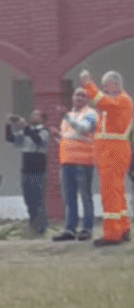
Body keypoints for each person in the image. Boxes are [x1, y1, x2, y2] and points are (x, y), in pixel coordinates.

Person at [83, 69, 133, 245]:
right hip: (112, 150)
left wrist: (88, 83)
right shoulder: (119, 102)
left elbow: (100, 101)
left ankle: (112, 234)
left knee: (110, 192)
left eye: (106, 85)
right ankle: (123, 227)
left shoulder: (120, 101)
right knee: (117, 191)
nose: (103, 89)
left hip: (113, 152)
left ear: (116, 84)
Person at [58, 86, 100, 241]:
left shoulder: (91, 114)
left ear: (87, 99)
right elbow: (68, 136)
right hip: (67, 160)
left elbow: (84, 129)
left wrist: (67, 117)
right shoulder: (68, 115)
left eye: (83, 96)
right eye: (77, 95)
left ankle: (87, 229)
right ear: (72, 98)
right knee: (69, 198)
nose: (80, 98)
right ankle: (70, 229)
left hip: (83, 161)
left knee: (85, 196)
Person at [6, 112, 51, 236]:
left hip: (38, 171)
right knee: (29, 200)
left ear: (43, 119)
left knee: (38, 200)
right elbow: (11, 140)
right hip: (26, 170)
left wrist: (25, 127)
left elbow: (38, 140)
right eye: (32, 114)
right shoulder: (26, 131)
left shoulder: (44, 131)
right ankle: (33, 225)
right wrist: (9, 125)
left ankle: (41, 228)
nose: (32, 116)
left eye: (36, 115)